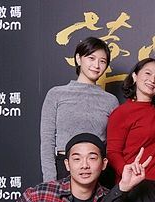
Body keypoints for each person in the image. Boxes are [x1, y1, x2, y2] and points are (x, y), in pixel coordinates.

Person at [40, 37, 118, 182]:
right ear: (78, 58)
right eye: (91, 58)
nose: (96, 65)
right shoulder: (56, 94)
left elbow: (112, 144)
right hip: (63, 167)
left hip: (96, 169)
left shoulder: (110, 100)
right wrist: (50, 181)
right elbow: (47, 141)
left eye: (102, 61)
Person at [107, 58, 155, 182]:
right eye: (148, 73)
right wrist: (126, 171)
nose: (152, 80)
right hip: (133, 183)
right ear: (135, 76)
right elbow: (113, 152)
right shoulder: (122, 113)